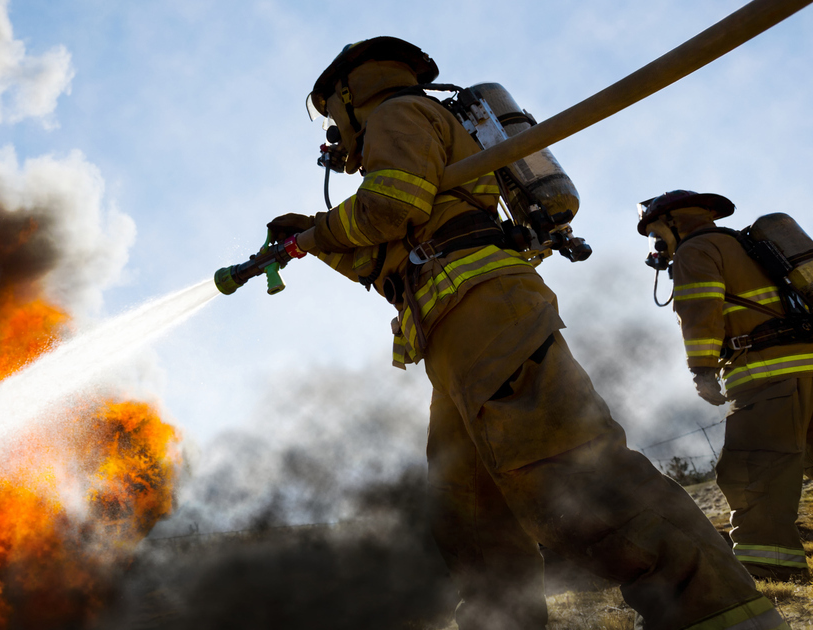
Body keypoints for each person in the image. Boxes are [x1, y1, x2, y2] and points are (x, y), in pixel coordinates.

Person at [268, 37, 788, 630]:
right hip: (454, 341)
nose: (334, 134)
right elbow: (384, 260)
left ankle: (718, 611)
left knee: (564, 465)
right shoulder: (415, 143)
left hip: (488, 318)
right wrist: (309, 234)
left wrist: (319, 234)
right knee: (466, 505)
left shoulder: (396, 112)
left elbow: (389, 208)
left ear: (347, 93)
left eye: (333, 115)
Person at [637, 189, 813, 582]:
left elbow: (700, 311)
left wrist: (702, 370)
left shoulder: (695, 251)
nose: (657, 246)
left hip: (768, 376)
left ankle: (771, 569)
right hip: (808, 364)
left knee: (752, 470)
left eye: (656, 235)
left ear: (673, 222)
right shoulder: (749, 246)